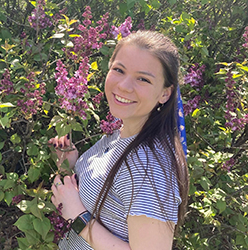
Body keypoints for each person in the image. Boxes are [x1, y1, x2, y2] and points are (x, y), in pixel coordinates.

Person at [49, 30, 189, 250]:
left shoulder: (149, 168)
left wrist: (78, 216)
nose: (124, 85)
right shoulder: (122, 133)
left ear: (165, 93)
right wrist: (73, 163)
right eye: (119, 70)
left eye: (143, 78)